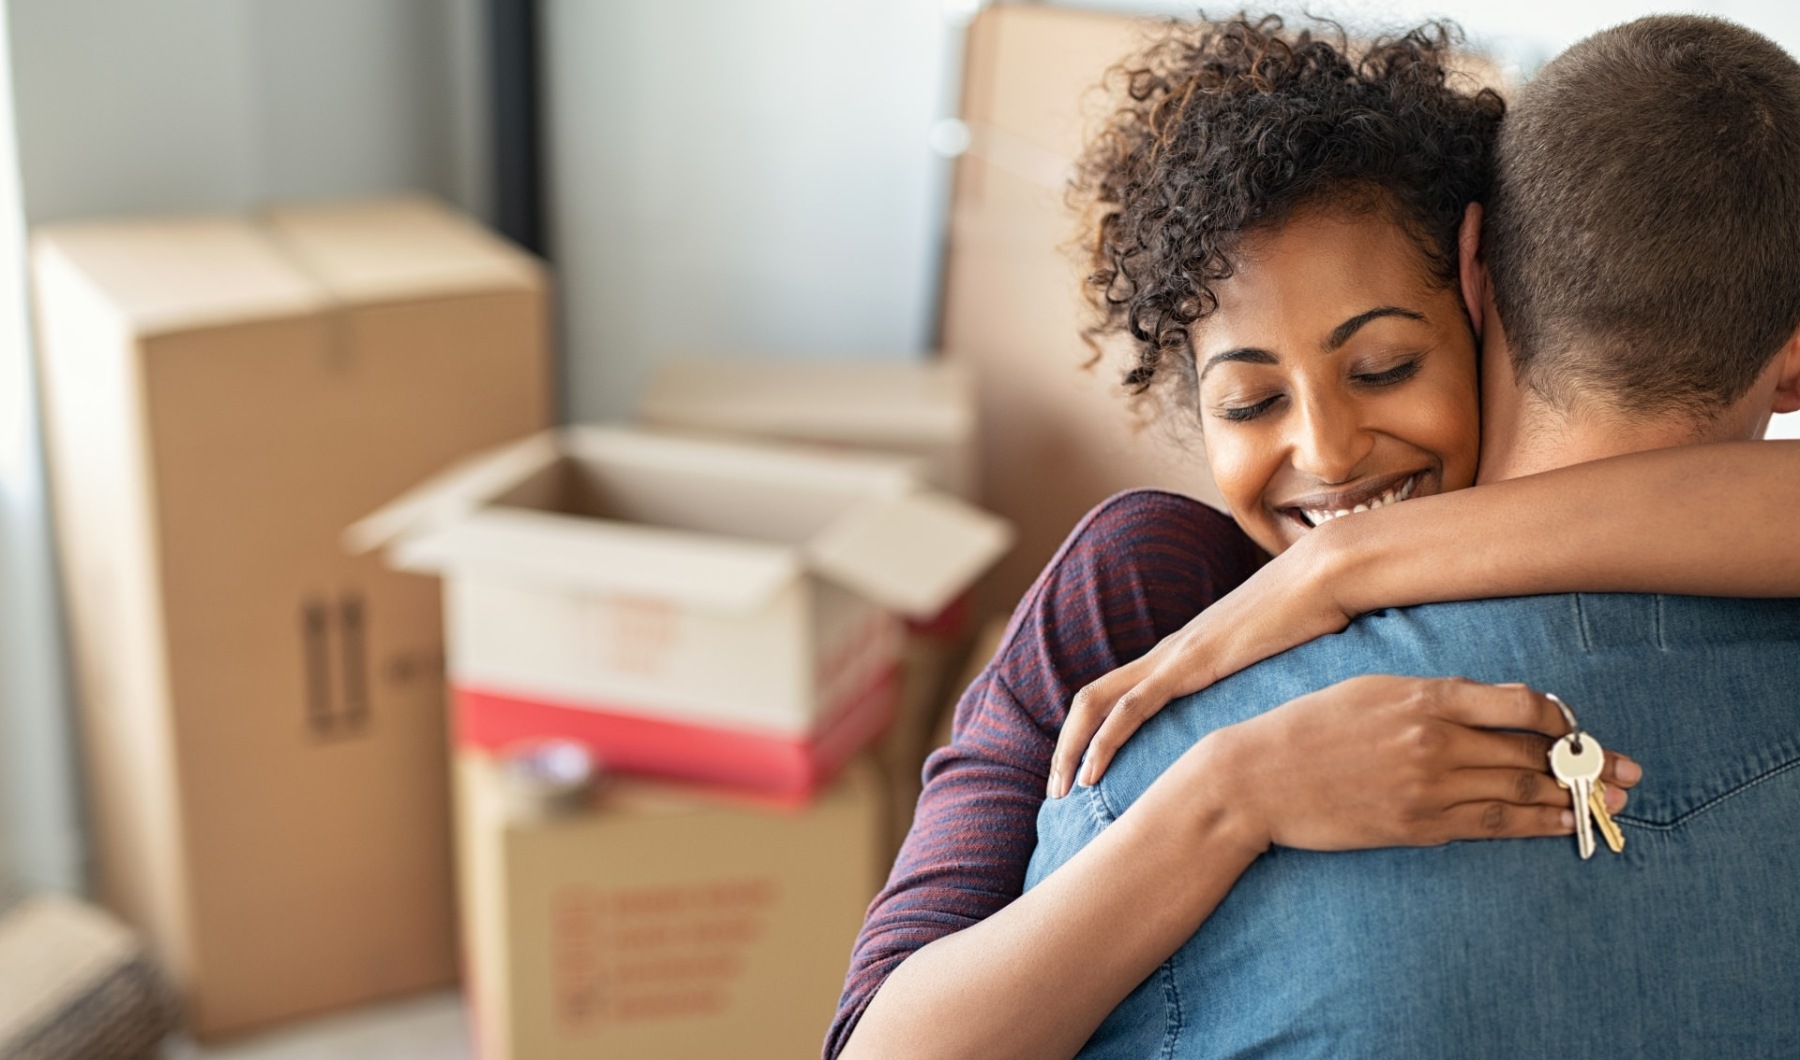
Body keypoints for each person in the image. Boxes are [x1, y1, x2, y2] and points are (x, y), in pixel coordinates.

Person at [828, 15, 1800, 1060]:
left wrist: (1349, 565)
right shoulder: (1138, 602)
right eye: (1249, 403)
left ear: (1476, 290)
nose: (1331, 453)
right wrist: (1229, 794)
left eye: (1383, 367)